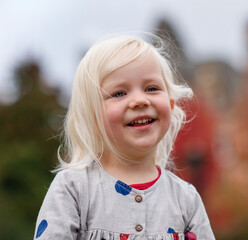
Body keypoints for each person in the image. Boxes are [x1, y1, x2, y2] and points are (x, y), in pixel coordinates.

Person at [33, 35, 215, 240]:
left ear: (171, 106)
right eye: (119, 93)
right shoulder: (74, 188)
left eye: (152, 88)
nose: (139, 100)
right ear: (91, 117)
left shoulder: (186, 199)